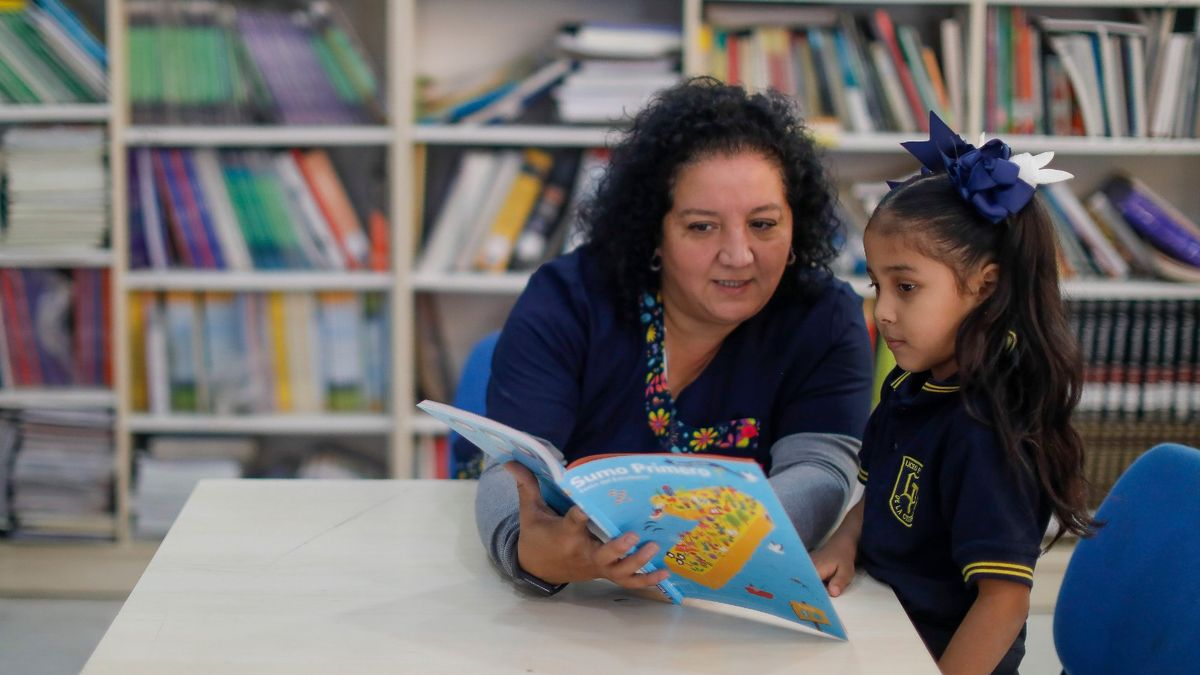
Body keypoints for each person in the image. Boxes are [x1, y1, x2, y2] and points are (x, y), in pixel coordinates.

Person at [474, 77, 875, 596]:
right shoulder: (566, 300)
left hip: (732, 602)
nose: (738, 255)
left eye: (763, 224)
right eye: (702, 227)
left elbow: (821, 469)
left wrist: (692, 552)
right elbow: (512, 472)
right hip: (581, 606)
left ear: (797, 225)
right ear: (654, 233)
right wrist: (530, 552)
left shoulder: (826, 318)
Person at [811, 113, 1097, 674]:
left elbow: (1004, 602)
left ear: (984, 287)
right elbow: (884, 493)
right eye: (877, 285)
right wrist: (845, 540)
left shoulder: (988, 431)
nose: (883, 311)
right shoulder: (912, 385)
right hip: (881, 627)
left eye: (907, 287)